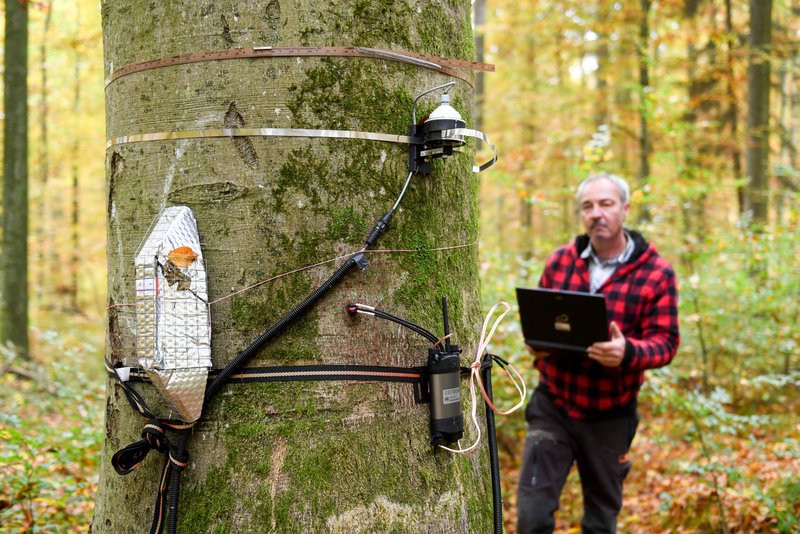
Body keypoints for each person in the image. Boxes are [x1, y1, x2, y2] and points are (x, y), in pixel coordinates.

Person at [516, 173, 680, 533]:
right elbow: (542, 323)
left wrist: (628, 352)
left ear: (625, 209)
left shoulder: (656, 273)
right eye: (588, 206)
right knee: (531, 517)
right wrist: (538, 343)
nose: (597, 213)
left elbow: (666, 342)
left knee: (600, 521)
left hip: (611, 415)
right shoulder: (560, 261)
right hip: (553, 405)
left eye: (606, 204)